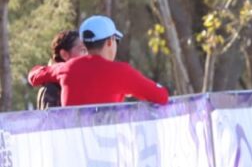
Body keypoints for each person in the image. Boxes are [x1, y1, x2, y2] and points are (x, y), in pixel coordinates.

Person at [27, 16, 169, 107]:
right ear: (109, 42)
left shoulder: (66, 68)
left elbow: (34, 76)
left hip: (72, 150)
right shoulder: (121, 72)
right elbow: (161, 96)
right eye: (115, 40)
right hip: (108, 149)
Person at [29, 30, 86, 109]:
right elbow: (50, 120)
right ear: (64, 54)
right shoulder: (52, 89)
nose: (87, 55)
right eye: (83, 50)